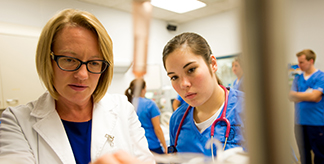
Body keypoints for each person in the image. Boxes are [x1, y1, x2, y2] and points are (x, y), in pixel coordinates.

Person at [0, 8, 153, 164]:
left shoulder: (123, 109)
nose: (82, 75)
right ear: (48, 59)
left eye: (94, 63)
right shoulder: (17, 121)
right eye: (69, 59)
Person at [162, 32, 245, 157]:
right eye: (174, 77)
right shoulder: (177, 120)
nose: (184, 84)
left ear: (213, 64)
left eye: (191, 70)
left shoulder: (249, 108)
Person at [289, 49, 324, 164]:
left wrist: (298, 95)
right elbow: (290, 96)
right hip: (299, 123)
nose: (299, 65)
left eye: (302, 62)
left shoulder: (320, 77)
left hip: (317, 123)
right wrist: (309, 95)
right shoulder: (297, 78)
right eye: (298, 62)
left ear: (311, 61)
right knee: (304, 155)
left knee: (320, 155)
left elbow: (315, 97)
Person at [125, 78, 168, 154]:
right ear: (142, 90)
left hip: (136, 147)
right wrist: (165, 147)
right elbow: (157, 129)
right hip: (152, 145)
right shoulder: (150, 104)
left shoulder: (127, 104)